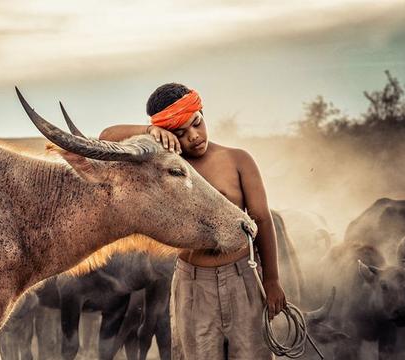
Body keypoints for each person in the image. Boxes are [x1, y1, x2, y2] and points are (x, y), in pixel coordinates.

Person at [99, 83, 285, 359]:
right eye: (180, 133)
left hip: (242, 277)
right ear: (167, 135)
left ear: (202, 113)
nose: (194, 137)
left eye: (196, 123)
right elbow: (105, 137)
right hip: (193, 282)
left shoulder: (237, 160)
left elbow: (262, 220)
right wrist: (149, 131)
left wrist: (271, 280)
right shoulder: (166, 168)